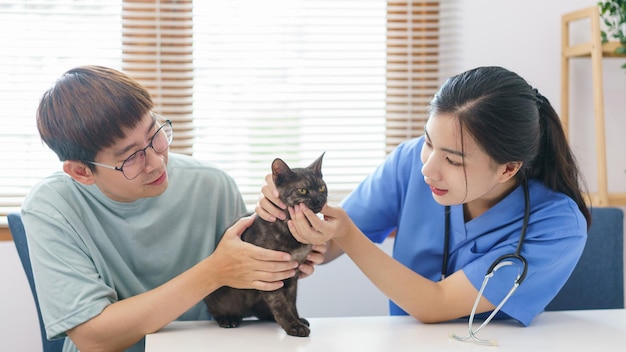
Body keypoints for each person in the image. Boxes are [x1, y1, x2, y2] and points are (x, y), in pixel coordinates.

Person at [257, 66, 591, 334]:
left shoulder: (558, 226)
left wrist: (344, 233)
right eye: (429, 142)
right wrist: (290, 220)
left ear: (508, 169)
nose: (428, 169)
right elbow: (327, 244)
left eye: (453, 160)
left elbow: (436, 304)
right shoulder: (409, 161)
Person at [21, 66, 319, 352]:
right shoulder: (52, 208)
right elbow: (93, 339)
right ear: (82, 172)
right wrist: (215, 272)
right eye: (131, 157)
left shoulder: (212, 185)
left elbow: (245, 296)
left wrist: (278, 264)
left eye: (155, 135)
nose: (156, 161)